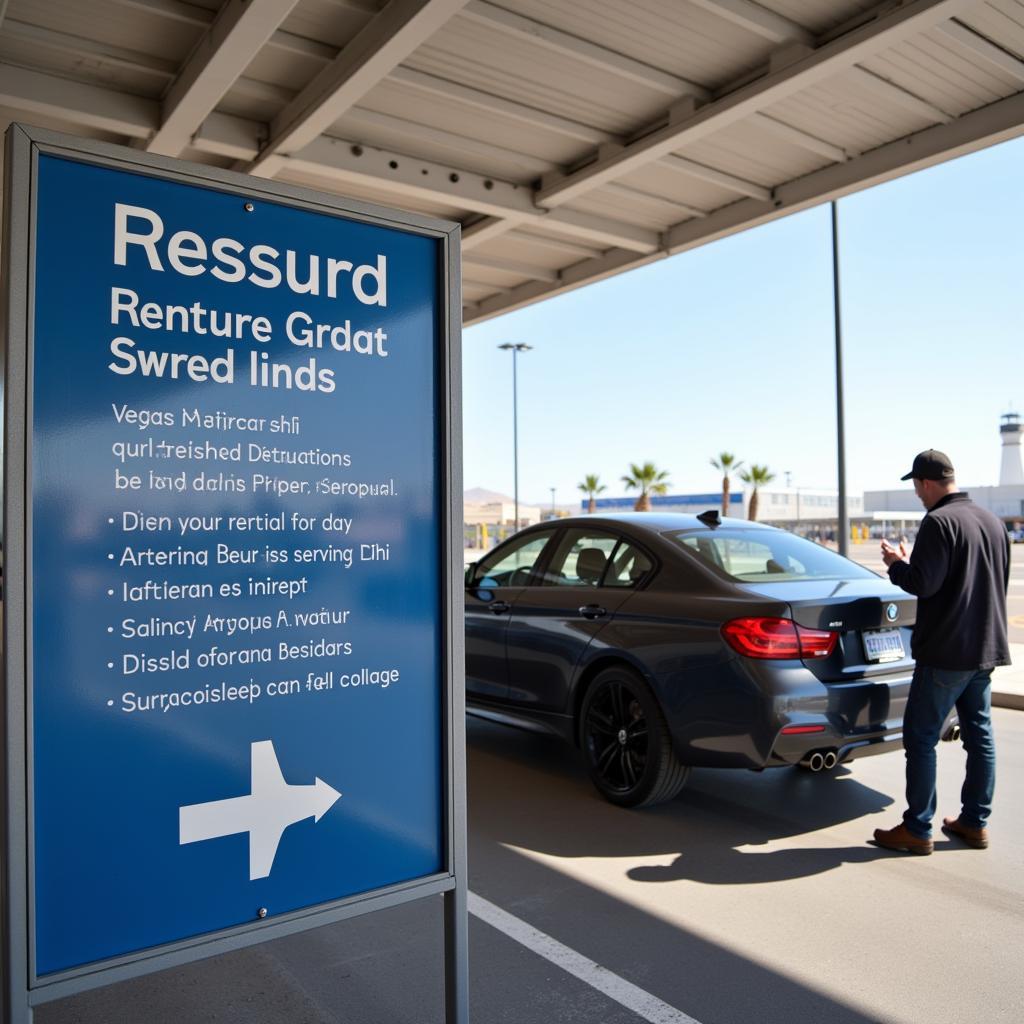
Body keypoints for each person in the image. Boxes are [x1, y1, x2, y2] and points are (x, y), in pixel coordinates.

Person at [872, 450, 1010, 855]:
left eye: (916, 486)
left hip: (946, 652)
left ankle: (917, 828)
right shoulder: (991, 521)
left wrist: (897, 564)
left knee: (920, 737)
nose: (917, 494)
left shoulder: (938, 522)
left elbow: (923, 584)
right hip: (985, 648)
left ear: (927, 483)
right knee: (979, 736)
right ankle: (974, 823)